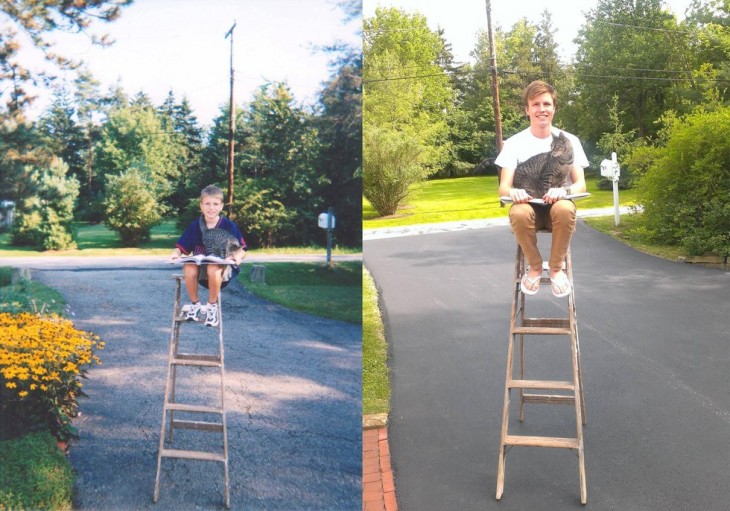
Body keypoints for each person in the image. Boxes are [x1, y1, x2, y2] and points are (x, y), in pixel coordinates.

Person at [495, 80, 589, 297]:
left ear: (554, 108)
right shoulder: (514, 143)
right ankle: (535, 266)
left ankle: (556, 269)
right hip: (530, 210)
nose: (541, 109)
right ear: (527, 109)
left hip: (559, 208)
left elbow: (581, 184)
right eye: (535, 104)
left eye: (546, 104)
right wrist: (513, 192)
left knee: (565, 208)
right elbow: (503, 188)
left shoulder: (570, 141)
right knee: (518, 212)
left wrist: (564, 191)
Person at [169, 185, 247, 326]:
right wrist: (175, 254)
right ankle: (195, 304)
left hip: (221, 272)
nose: (211, 208)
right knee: (189, 266)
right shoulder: (195, 226)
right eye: (207, 204)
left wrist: (237, 257)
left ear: (221, 206)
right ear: (201, 206)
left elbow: (242, 249)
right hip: (201, 272)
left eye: (215, 204)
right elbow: (180, 247)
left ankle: (212, 307)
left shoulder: (229, 226)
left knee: (213, 267)